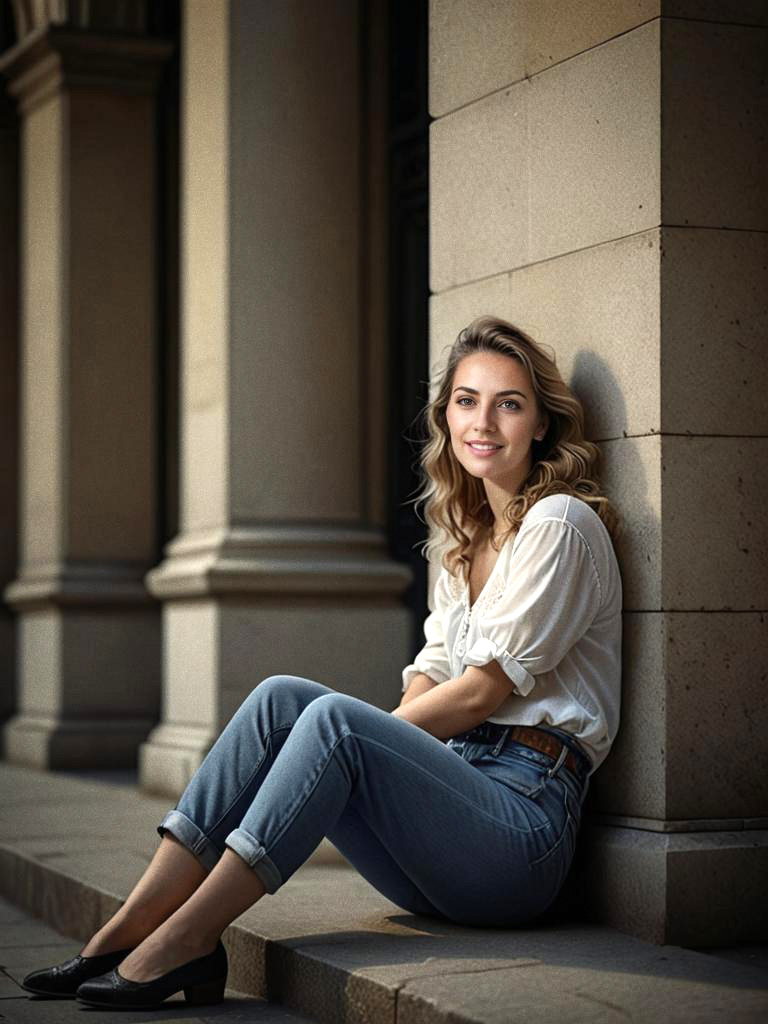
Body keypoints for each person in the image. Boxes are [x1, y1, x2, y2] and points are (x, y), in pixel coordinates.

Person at [22, 314, 623, 1010]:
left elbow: (476, 697)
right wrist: (354, 757)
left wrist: (352, 744)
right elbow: (431, 677)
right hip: (447, 825)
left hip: (520, 838)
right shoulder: (465, 539)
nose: (482, 421)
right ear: (446, 415)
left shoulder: (558, 523)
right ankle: (130, 927)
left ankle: (187, 937)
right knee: (285, 698)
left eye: (509, 403)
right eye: (466, 400)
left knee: (334, 720)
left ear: (542, 424)